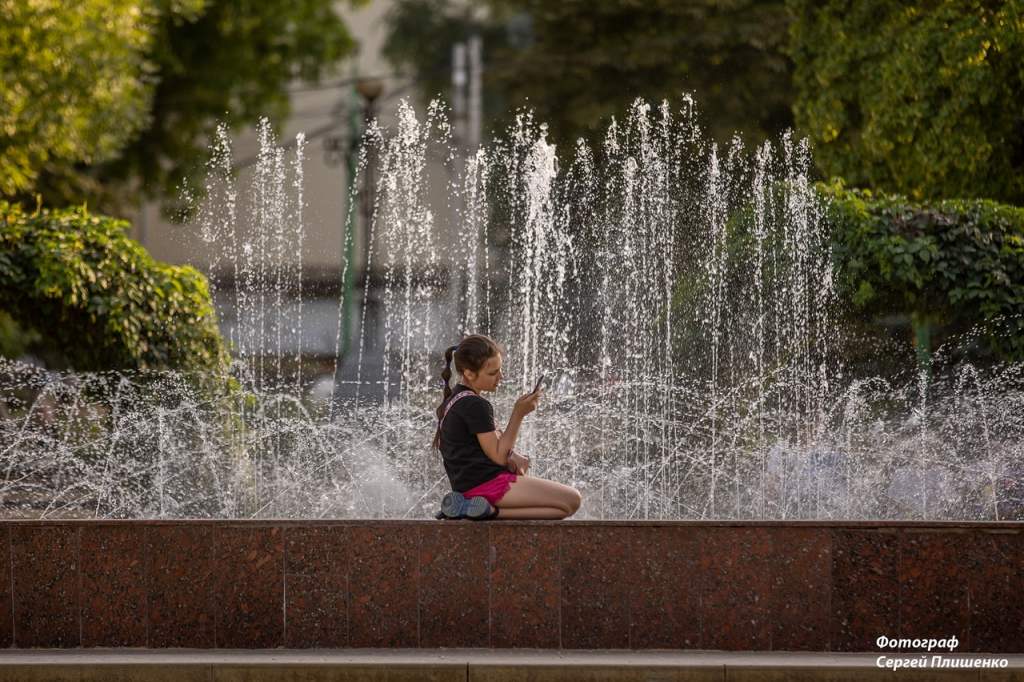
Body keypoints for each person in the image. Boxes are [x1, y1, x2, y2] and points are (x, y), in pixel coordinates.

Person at [432, 334, 582, 520]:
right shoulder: (474, 404)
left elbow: (486, 449)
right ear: (469, 373)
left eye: (500, 370)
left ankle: (478, 509)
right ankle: (486, 510)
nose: (500, 377)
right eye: (493, 373)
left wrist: (513, 456)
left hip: (470, 486)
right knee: (572, 500)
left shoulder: (456, 399)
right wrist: (518, 413)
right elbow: (499, 456)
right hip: (488, 485)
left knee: (564, 509)